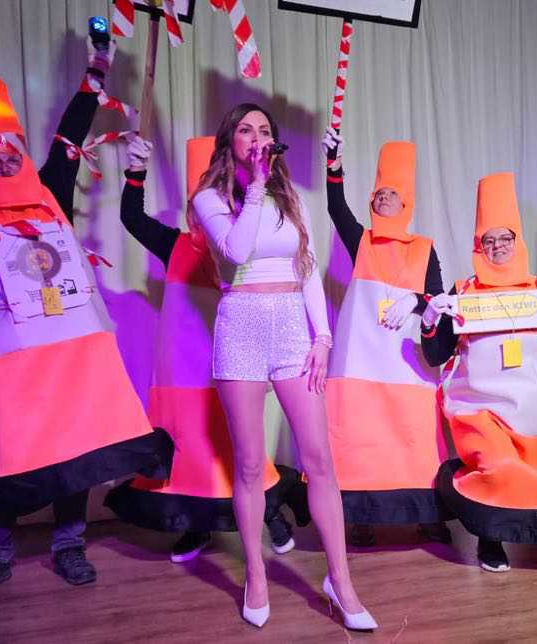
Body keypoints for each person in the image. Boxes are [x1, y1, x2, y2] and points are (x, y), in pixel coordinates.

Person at [0, 40, 171, 603]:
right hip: (15, 355)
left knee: (78, 450)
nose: (4, 165)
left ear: (24, 156)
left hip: (76, 347)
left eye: (11, 157)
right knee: (9, 455)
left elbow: (71, 131)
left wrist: (97, 70)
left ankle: (69, 545)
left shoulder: (52, 194)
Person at [190, 104, 375, 629]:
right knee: (250, 465)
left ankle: (340, 582)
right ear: (230, 140)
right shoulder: (210, 198)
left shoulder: (291, 196)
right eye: (246, 130)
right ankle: (256, 573)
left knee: (320, 460)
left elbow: (307, 269)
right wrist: (254, 185)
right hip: (241, 328)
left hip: (293, 327)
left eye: (265, 130)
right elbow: (235, 250)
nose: (256, 137)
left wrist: (323, 336)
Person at [104, 135, 306, 562]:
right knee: (191, 455)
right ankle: (195, 527)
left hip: (233, 360)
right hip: (182, 373)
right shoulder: (174, 244)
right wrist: (136, 171)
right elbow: (131, 218)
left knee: (241, 448)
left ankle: (271, 515)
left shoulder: (247, 242)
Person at [421, 172, 537, 572]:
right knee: (497, 468)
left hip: (530, 412)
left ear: (517, 242)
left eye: (505, 238)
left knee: (534, 476)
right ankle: (490, 540)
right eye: (489, 240)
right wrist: (431, 319)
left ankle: (535, 533)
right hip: (479, 408)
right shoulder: (462, 292)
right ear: (478, 246)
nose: (498, 247)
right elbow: (436, 353)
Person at [319, 128, 450, 547]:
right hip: (361, 359)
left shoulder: (425, 248)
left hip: (406, 360)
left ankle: (428, 515)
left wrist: (415, 300)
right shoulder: (361, 241)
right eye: (378, 193)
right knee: (360, 437)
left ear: (406, 201)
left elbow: (438, 297)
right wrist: (334, 164)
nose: (382, 198)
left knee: (415, 436)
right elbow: (336, 207)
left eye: (391, 193)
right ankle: (361, 517)